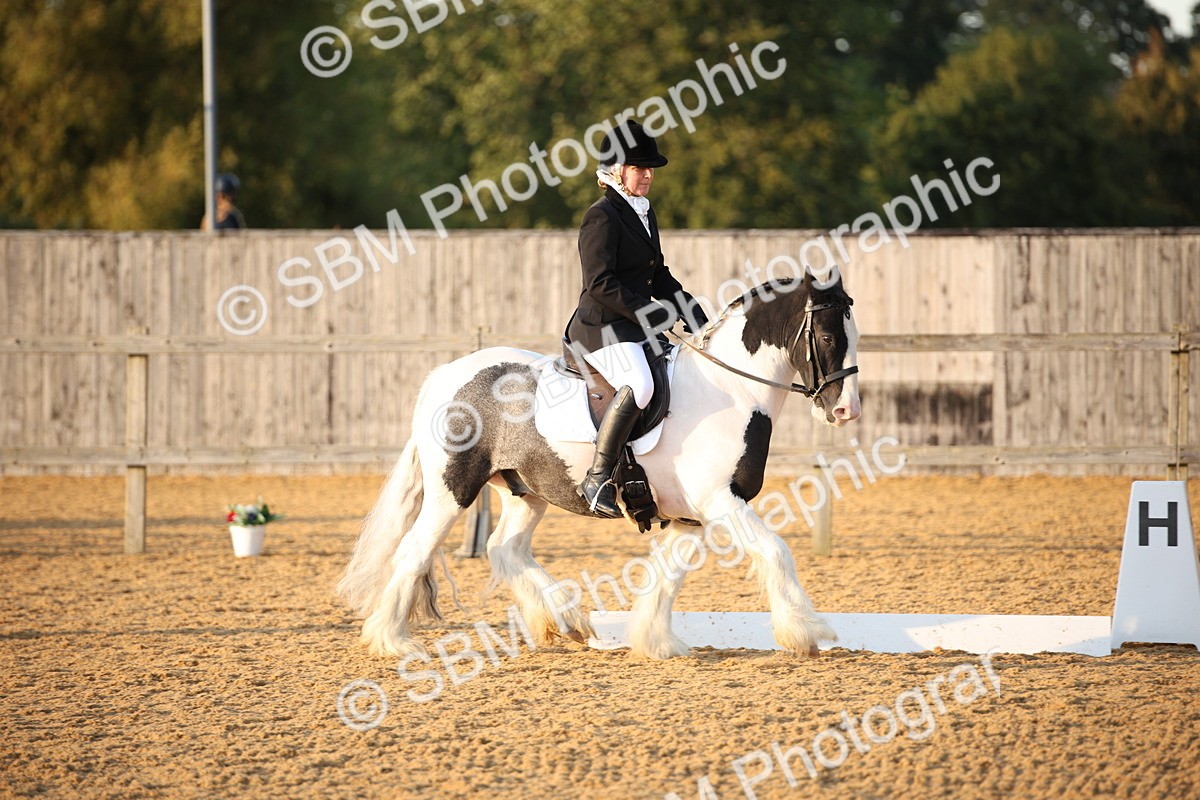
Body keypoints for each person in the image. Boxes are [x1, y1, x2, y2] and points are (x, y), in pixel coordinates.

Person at [564, 120, 709, 518]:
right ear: (616, 170)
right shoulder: (603, 216)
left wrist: (688, 306)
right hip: (600, 328)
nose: (647, 175)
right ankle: (597, 477)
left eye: (650, 169)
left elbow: (656, 273)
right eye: (638, 168)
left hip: (632, 324)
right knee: (641, 385)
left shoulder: (643, 211)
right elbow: (598, 283)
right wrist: (649, 311)